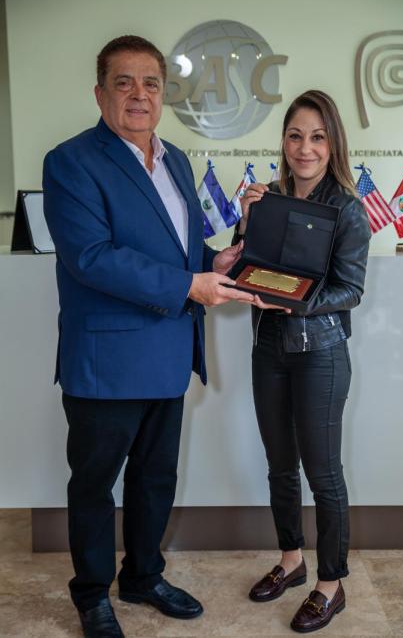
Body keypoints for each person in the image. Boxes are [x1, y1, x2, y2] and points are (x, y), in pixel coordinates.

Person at [43, 34, 254, 638]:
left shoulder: (177, 160)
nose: (139, 94)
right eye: (124, 82)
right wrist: (190, 284)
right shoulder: (71, 161)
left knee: (155, 479)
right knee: (94, 486)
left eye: (151, 83)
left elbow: (181, 249)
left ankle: (141, 576)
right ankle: (91, 595)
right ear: (100, 93)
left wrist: (213, 262)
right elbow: (92, 257)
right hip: (105, 360)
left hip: (168, 351)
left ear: (164, 94)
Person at [233, 90, 371, 633]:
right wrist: (245, 222)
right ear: (284, 141)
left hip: (321, 356)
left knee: (324, 474)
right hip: (268, 349)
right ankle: (291, 561)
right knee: (279, 466)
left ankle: (331, 585)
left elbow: (350, 289)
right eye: (295, 136)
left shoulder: (348, 209)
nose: (305, 148)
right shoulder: (268, 199)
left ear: (332, 143)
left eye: (317, 137)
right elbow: (244, 266)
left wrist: (295, 301)